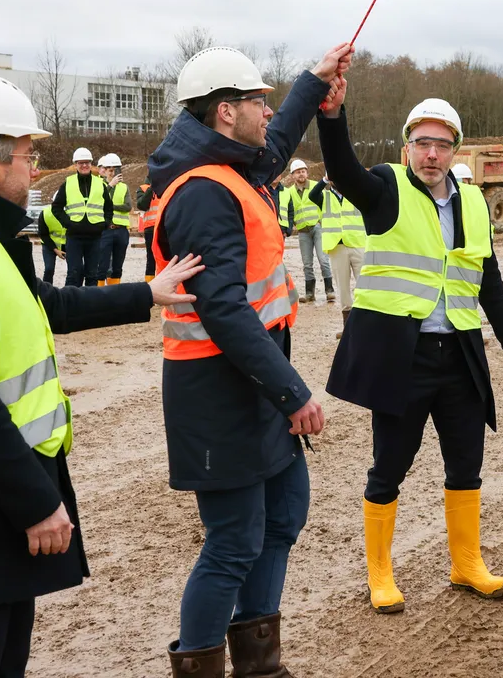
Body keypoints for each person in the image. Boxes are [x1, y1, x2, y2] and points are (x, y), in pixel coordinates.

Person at [0, 72, 201, 678]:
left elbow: (43, 305)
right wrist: (36, 503)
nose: (35, 169)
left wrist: (146, 293)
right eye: (29, 156)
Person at [149, 43, 349, 676]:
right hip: (216, 394)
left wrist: (313, 85)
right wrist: (293, 393)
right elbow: (225, 311)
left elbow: (279, 141)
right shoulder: (204, 192)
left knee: (284, 512)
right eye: (258, 103)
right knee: (234, 540)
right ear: (226, 112)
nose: (268, 113)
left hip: (252, 386)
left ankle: (260, 665)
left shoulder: (232, 165)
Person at [318, 91, 503, 615]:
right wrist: (331, 114)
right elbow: (343, 169)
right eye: (422, 144)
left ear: (455, 150)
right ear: (407, 147)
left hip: (458, 352)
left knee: (467, 463)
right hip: (402, 357)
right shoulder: (387, 187)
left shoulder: (475, 201)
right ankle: (381, 575)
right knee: (389, 466)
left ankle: (466, 564)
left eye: (441, 145)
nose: (431, 154)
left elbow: (487, 276)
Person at [310, 174, 366, 339]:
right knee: (343, 288)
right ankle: (348, 328)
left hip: (357, 243)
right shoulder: (324, 197)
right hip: (337, 247)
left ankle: (364, 326)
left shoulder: (356, 194)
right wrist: (325, 179)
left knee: (363, 285)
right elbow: (312, 195)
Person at [50, 147, 112, 287]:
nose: (84, 165)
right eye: (81, 163)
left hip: (94, 238)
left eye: (87, 162)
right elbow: (56, 207)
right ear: (75, 164)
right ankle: (71, 305)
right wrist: (68, 223)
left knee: (92, 275)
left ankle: (90, 307)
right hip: (74, 237)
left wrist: (105, 224)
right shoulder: (68, 183)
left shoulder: (100, 184)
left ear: (91, 164)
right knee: (74, 273)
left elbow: (109, 208)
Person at [281, 158, 334, 304]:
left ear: (307, 173)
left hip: (317, 227)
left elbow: (325, 204)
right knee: (307, 263)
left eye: (303, 171)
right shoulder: (290, 192)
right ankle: (309, 293)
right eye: (298, 172)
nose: (301, 174)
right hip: (303, 231)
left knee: (323, 260)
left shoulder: (316, 186)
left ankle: (330, 291)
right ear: (292, 175)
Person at [94, 152, 129, 285]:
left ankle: (114, 295)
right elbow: (98, 202)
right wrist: (110, 186)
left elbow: (128, 206)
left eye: (116, 170)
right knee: (102, 265)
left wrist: (111, 206)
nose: (113, 173)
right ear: (105, 170)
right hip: (105, 230)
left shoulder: (124, 187)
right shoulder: (98, 185)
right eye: (110, 170)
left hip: (121, 230)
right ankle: (99, 295)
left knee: (117, 267)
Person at [136, 176, 160, 282]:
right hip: (150, 228)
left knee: (165, 258)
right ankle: (150, 287)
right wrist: (151, 189)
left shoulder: (165, 186)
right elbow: (141, 205)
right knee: (151, 259)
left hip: (164, 227)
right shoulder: (143, 188)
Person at [37, 207, 66, 284]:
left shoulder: (73, 212)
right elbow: (43, 234)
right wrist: (55, 249)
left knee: (75, 270)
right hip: (49, 245)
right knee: (49, 269)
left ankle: (72, 292)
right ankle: (46, 292)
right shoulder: (45, 213)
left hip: (68, 244)